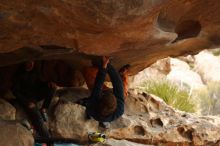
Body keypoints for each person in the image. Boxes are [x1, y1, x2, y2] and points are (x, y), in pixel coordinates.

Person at [79, 56, 129, 127]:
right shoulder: (119, 110)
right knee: (124, 92)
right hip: (107, 95)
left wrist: (104, 67)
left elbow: (98, 84)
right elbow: (118, 84)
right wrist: (108, 66)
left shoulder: (93, 104)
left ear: (100, 97)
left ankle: (97, 67)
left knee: (87, 71)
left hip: (103, 93)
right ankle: (123, 74)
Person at [11, 61, 56, 138]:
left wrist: (48, 83)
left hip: (34, 96)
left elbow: (39, 83)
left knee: (51, 89)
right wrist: (26, 103)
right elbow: (15, 92)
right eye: (29, 63)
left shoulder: (34, 72)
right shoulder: (18, 75)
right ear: (24, 63)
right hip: (26, 100)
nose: (31, 65)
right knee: (37, 116)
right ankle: (47, 138)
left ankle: (44, 108)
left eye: (32, 63)